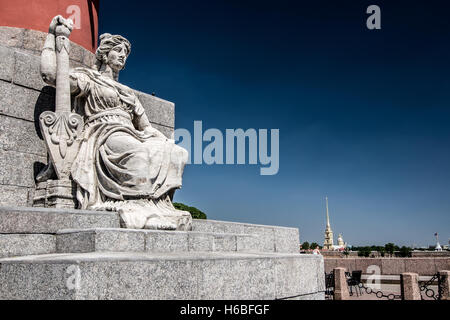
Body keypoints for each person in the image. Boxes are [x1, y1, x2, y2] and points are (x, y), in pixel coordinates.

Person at [39, 16, 190, 230]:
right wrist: (52, 37)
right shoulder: (89, 78)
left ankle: (154, 206)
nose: (122, 57)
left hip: (131, 133)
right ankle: (138, 205)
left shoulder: (127, 92)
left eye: (125, 54)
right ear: (104, 53)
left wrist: (164, 140)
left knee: (177, 152)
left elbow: (145, 127)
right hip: (105, 133)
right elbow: (51, 75)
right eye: (118, 51)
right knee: (137, 152)